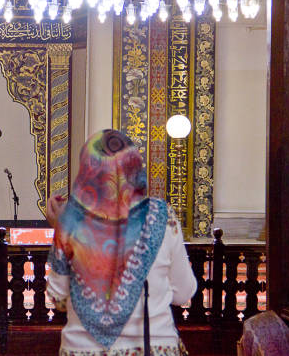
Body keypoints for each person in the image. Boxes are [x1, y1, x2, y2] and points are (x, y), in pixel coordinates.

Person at [46, 129, 197, 356]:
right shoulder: (162, 216)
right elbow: (184, 292)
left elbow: (58, 299)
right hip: (154, 347)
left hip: (83, 350)